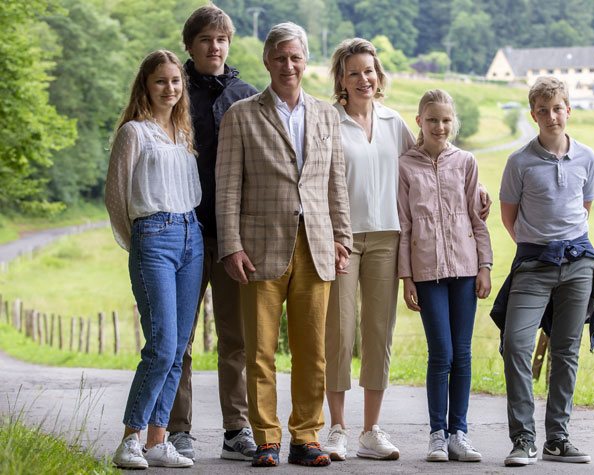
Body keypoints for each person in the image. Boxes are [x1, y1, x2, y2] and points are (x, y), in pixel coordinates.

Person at [215, 22, 352, 468]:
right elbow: (228, 187)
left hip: (316, 245)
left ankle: (306, 437)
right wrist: (231, 245)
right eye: (280, 57)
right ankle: (267, 439)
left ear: (305, 60)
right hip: (258, 249)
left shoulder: (326, 114)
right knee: (259, 351)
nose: (288, 65)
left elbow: (336, 184)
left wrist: (342, 238)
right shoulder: (241, 114)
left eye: (295, 57)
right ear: (267, 61)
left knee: (314, 350)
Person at [491, 76, 594, 467]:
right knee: (516, 344)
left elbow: (585, 207)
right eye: (542, 110)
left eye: (558, 108)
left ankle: (557, 439)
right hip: (533, 265)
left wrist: (566, 248)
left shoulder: (588, 158)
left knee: (566, 350)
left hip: (579, 264)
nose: (551, 116)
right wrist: (539, 244)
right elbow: (509, 219)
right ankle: (524, 439)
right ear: (533, 115)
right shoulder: (519, 162)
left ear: (569, 110)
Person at [166, 4, 259, 462]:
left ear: (229, 44)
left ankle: (235, 430)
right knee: (179, 338)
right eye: (205, 39)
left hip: (233, 239)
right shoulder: (172, 91)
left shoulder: (247, 96)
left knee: (235, 337)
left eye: (221, 39)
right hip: (182, 232)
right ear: (191, 45)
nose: (214, 46)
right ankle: (177, 430)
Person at [106, 50, 203, 469]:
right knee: (161, 346)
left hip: (192, 236)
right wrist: (140, 243)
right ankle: (131, 438)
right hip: (154, 237)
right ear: (145, 85)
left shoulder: (182, 132)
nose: (170, 88)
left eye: (176, 81)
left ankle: (159, 441)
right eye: (161, 81)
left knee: (179, 347)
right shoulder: (135, 133)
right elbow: (115, 197)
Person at [320, 38, 414, 462]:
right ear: (341, 78)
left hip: (387, 239)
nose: (363, 79)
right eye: (354, 72)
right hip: (341, 240)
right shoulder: (328, 122)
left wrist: (475, 189)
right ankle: (337, 429)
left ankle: (371, 431)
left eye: (369, 71)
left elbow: (428, 168)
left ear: (380, 77)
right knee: (339, 333)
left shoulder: (395, 123)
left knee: (379, 332)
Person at [397, 89, 493, 463]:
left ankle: (460, 434)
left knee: (464, 354)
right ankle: (437, 435)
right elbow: (404, 225)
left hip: (466, 270)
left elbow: (477, 219)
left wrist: (485, 266)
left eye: (446, 120)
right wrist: (406, 278)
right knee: (442, 353)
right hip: (426, 271)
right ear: (419, 121)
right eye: (432, 119)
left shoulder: (466, 162)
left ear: (454, 123)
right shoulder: (405, 166)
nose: (440, 126)